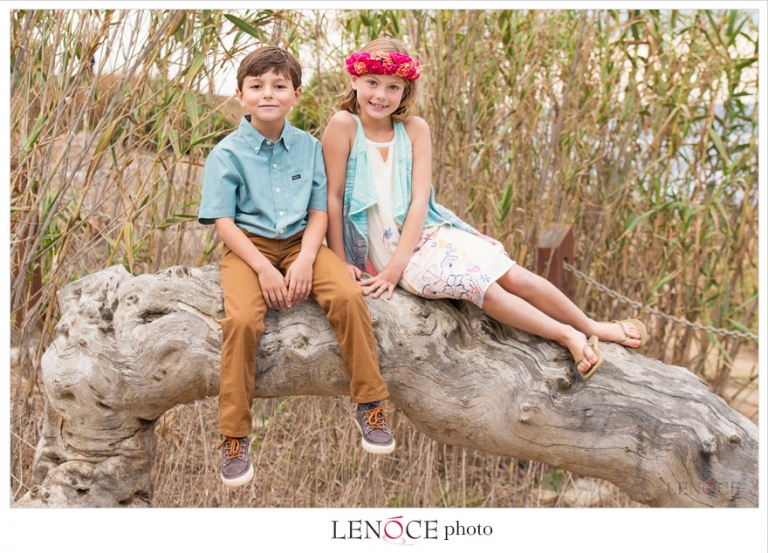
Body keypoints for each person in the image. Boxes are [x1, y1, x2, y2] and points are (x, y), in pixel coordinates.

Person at [322, 37, 648, 384]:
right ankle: (567, 336)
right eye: (372, 82)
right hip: (383, 253)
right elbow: (334, 197)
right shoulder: (344, 126)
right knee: (486, 290)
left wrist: (400, 261)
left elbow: (420, 200)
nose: (380, 95)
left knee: (513, 274)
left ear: (406, 90)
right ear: (355, 80)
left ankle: (590, 325)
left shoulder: (415, 130)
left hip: (427, 233)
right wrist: (344, 262)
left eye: (392, 87)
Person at [199, 46, 395, 488]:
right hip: (247, 250)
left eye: (279, 85)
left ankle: (371, 404)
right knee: (243, 321)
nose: (268, 93)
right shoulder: (226, 154)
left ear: (296, 94)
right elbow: (224, 225)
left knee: (347, 296)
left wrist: (307, 259)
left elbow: (319, 212)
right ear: (240, 94)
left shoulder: (308, 147)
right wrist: (265, 270)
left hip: (300, 243)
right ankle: (234, 435)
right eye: (257, 86)